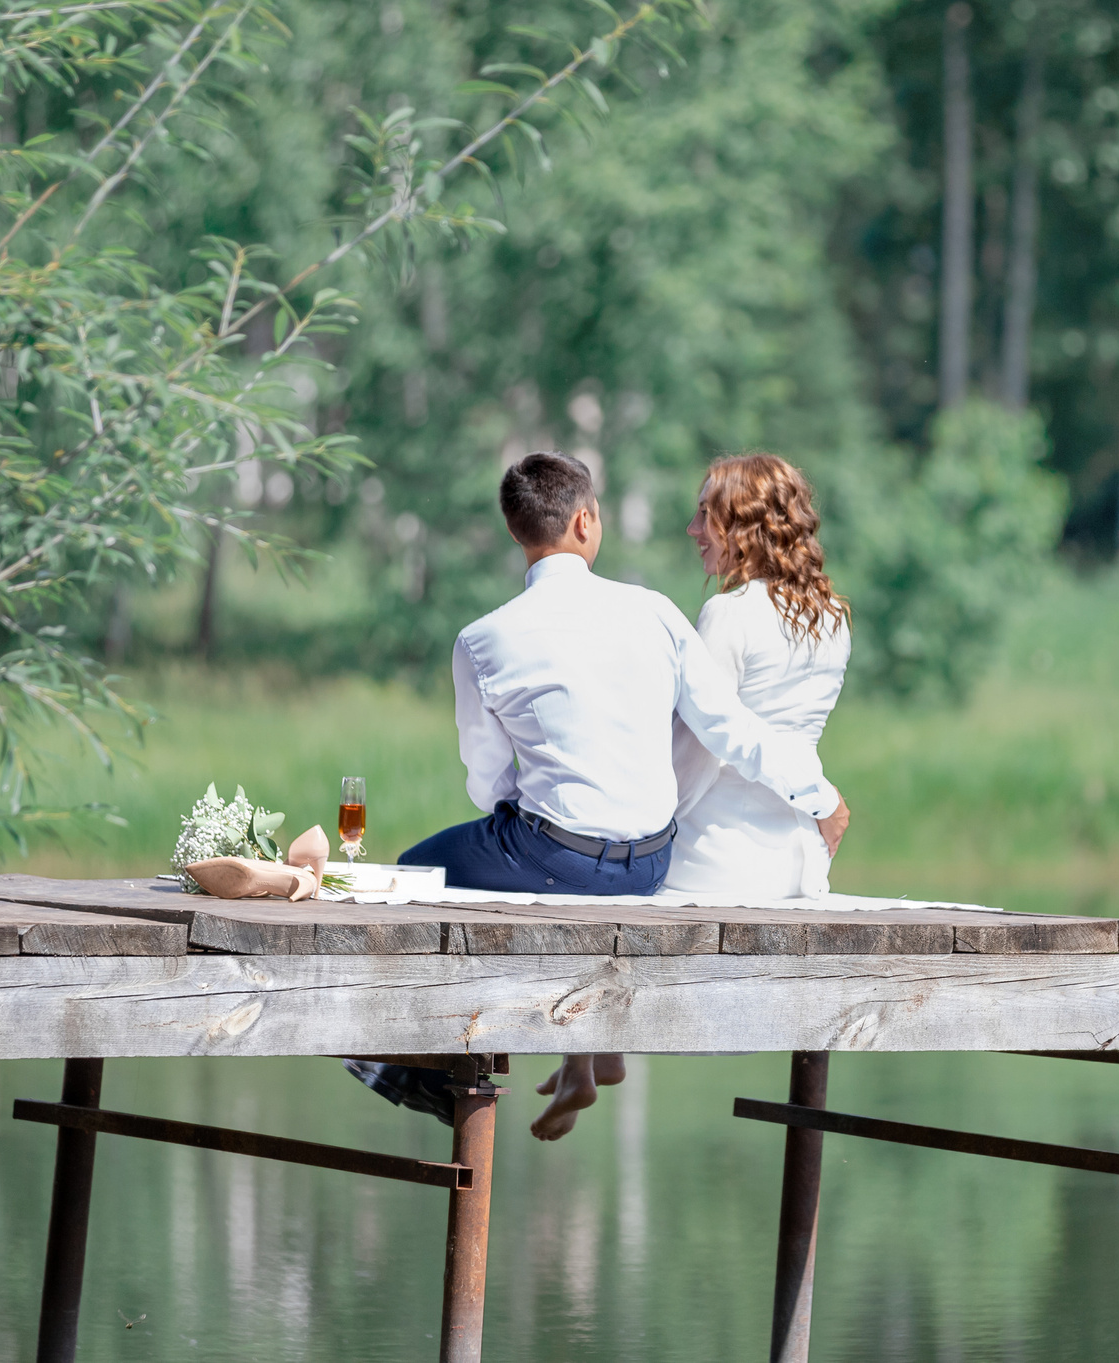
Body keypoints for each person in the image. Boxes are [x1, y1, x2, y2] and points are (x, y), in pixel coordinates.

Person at [348, 452, 851, 1130]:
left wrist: (527, 812)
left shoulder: (481, 638)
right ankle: (564, 1055)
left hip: (559, 853)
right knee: (542, 854)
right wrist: (820, 796)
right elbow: (732, 731)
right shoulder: (659, 612)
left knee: (412, 873)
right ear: (586, 520)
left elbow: (485, 777)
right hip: (649, 863)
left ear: (515, 531)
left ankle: (420, 1077)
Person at [660, 454, 854, 901]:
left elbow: (701, 745)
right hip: (802, 858)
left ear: (744, 524)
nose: (693, 529)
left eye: (706, 514)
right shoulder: (833, 618)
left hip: (716, 859)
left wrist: (648, 826)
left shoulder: (728, 612)